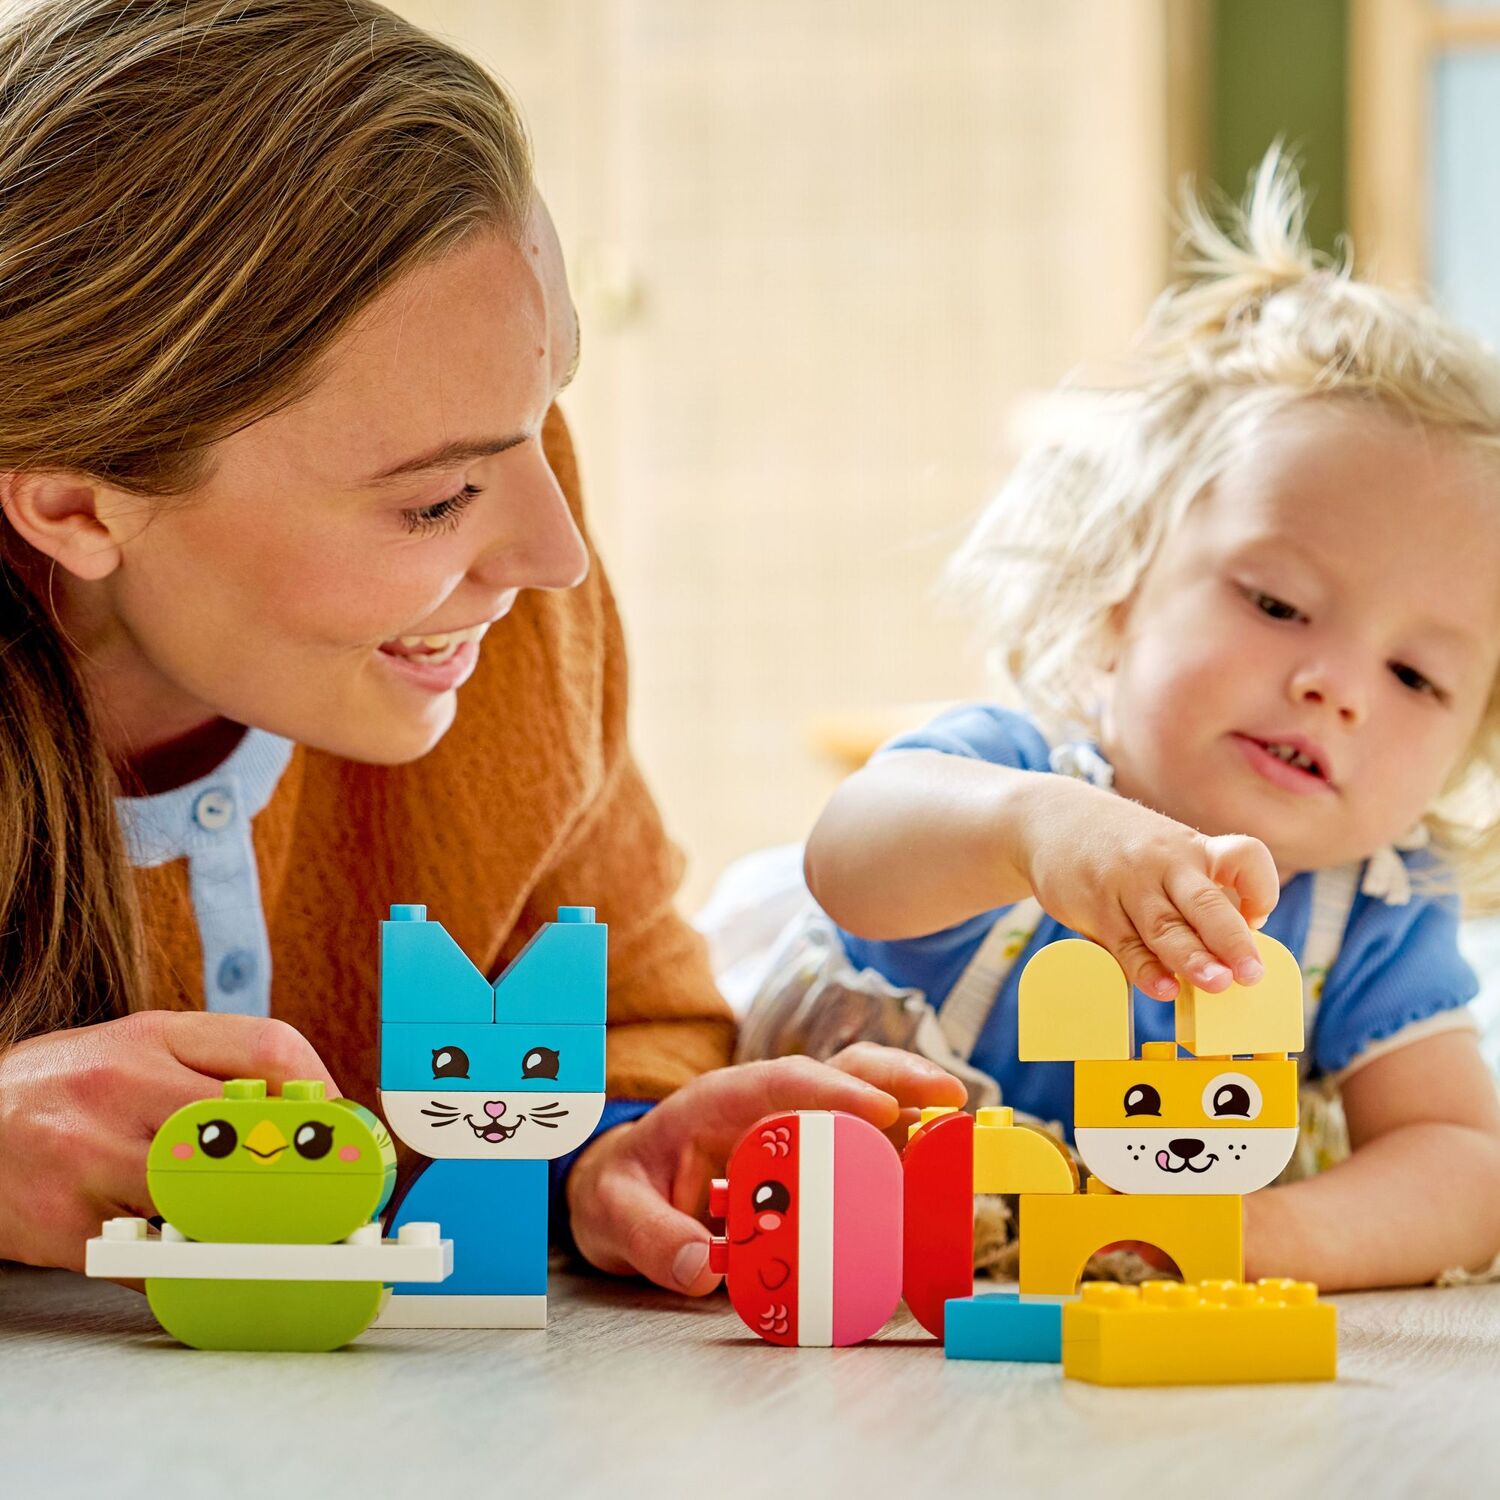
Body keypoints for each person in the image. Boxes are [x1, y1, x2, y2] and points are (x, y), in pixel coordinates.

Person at [0, 0, 961, 1289]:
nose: (557, 557)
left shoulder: (499, 613)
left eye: (545, 414)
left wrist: (605, 1151)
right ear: (76, 507)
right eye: (438, 500)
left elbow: (641, 1010)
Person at [803, 153, 1500, 1291]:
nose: (1339, 687)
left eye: (1417, 675)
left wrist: (1252, 1238)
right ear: (1119, 595)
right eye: (1277, 603)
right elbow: (845, 860)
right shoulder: (1016, 772)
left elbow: (1462, 1165)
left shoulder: (1370, 914)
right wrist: (1033, 832)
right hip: (845, 1272)